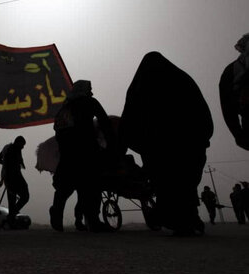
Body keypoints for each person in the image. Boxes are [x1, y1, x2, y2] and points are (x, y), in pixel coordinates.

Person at [120, 52, 213, 236]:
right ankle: (186, 218)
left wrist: (131, 145)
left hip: (158, 146)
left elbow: (128, 121)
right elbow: (201, 111)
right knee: (184, 181)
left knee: (166, 181)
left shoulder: (140, 87)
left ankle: (178, 220)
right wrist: (202, 137)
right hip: (186, 143)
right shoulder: (182, 80)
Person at [51, 80, 114, 232]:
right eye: (90, 89)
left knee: (66, 188)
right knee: (91, 186)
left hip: (68, 154)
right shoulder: (89, 102)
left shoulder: (64, 108)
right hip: (86, 151)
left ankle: (57, 214)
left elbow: (58, 130)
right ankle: (93, 220)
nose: (91, 91)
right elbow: (104, 122)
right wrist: (112, 143)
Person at [219, 33, 249, 151]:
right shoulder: (231, 71)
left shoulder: (231, 70)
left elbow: (227, 108)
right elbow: (227, 107)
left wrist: (238, 135)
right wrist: (238, 135)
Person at [0, 136, 29, 228]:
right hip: (12, 177)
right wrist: (6, 165)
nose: (23, 147)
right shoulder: (10, 150)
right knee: (19, 198)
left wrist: (6, 164)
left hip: (13, 176)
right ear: (18, 143)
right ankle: (11, 219)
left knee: (18, 199)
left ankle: (11, 217)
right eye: (22, 145)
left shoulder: (14, 149)